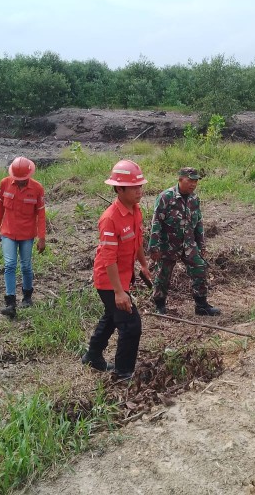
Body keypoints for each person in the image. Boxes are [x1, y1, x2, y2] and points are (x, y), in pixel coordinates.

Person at [82, 160, 152, 381]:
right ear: (119, 189)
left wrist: (143, 264)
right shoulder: (110, 218)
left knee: (112, 317)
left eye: (140, 186)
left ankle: (92, 356)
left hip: (123, 276)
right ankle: (123, 372)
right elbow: (108, 258)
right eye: (134, 187)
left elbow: (137, 242)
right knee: (131, 325)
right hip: (109, 281)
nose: (139, 191)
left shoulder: (135, 211)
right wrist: (119, 292)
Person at [149, 167, 220, 316]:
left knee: (200, 267)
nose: (193, 184)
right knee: (163, 275)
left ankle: (201, 305)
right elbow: (156, 223)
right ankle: (159, 306)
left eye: (195, 181)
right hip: (168, 244)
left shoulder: (194, 199)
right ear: (180, 179)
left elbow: (198, 223)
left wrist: (201, 245)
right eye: (190, 180)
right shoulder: (166, 197)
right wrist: (154, 247)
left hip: (188, 244)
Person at [0, 156, 46, 319]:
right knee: (9, 265)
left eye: (24, 180)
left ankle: (27, 296)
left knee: (26, 266)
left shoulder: (37, 189)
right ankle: (10, 302)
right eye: (18, 179)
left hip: (27, 235)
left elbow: (41, 214)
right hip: (8, 232)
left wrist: (41, 237)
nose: (21, 182)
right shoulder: (4, 184)